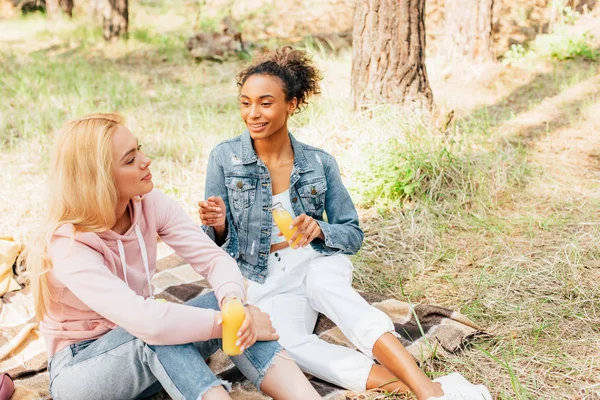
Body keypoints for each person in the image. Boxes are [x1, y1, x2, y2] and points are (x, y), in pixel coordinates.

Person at [199, 47, 492, 400]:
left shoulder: (318, 163)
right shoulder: (225, 158)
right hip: (263, 276)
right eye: (245, 103)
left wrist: (320, 229)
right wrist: (217, 225)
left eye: (265, 102)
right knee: (290, 347)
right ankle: (420, 388)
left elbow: (352, 233)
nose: (253, 114)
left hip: (315, 258)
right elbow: (212, 244)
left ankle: (427, 390)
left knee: (328, 289)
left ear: (291, 104)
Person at [24, 113, 321, 400]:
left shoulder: (149, 204)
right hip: (82, 372)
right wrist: (229, 323)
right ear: (98, 179)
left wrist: (232, 305)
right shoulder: (67, 244)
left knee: (217, 307)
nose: (145, 161)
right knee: (157, 330)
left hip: (143, 350)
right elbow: (147, 322)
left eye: (138, 149)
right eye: (130, 159)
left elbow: (216, 261)